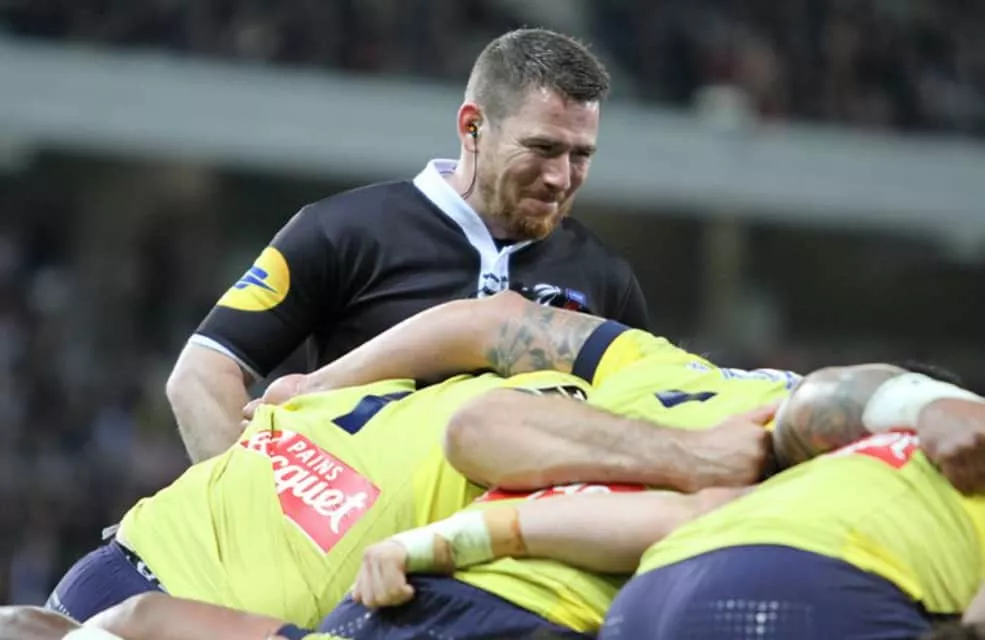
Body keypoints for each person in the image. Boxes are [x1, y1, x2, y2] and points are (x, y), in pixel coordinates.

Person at [166, 26, 649, 463]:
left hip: (522, 532)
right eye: (543, 148)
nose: (560, 177)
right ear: (473, 127)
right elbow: (202, 374)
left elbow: (642, 422)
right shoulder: (342, 231)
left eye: (580, 155)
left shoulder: (606, 278)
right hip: (356, 529)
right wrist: (245, 508)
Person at [344, 362, 985, 640]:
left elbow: (686, 520)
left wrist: (434, 542)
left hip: (654, 592)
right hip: (805, 591)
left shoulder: (826, 460)